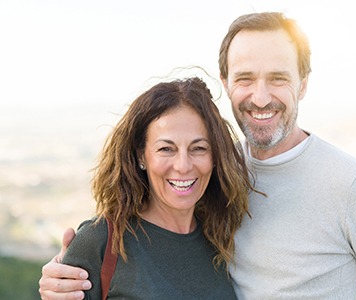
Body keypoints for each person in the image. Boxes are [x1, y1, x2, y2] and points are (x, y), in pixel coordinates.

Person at [39, 12, 356, 299]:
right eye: (245, 78)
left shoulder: (353, 187)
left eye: (277, 78)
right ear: (226, 83)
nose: (260, 97)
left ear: (303, 84)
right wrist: (62, 274)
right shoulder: (216, 178)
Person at [39, 76, 257, 299]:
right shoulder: (101, 241)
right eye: (166, 149)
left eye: (199, 148)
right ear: (141, 155)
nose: (183, 165)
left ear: (215, 156)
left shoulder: (221, 239)